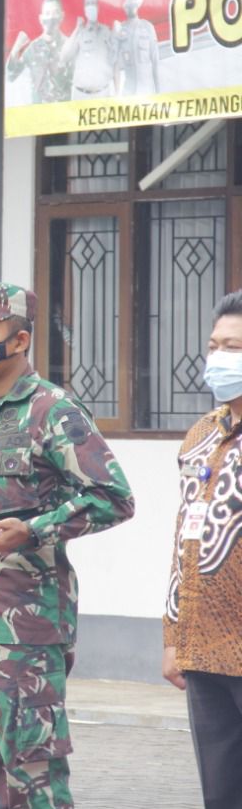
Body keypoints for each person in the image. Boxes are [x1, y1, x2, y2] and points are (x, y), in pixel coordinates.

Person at [0, 281, 134, 809]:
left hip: (24, 633)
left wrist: (36, 528)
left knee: (33, 775)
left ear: (19, 341)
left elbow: (113, 497)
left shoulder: (52, 411)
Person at [162, 290, 242, 809]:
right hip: (205, 645)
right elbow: (184, 543)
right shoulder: (201, 436)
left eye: (232, 346)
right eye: (214, 344)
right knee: (222, 789)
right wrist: (174, 636)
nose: (217, 357)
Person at [6, 0, 71, 104]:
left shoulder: (70, 46)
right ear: (41, 19)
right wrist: (16, 48)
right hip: (38, 115)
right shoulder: (33, 48)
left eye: (55, 13)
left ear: (62, 16)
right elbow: (11, 76)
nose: (51, 18)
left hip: (65, 114)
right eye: (47, 13)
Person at [62, 0, 117, 100]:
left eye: (94, 3)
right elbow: (64, 57)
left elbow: (116, 63)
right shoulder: (80, 32)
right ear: (84, 8)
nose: (91, 6)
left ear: (98, 7)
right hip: (81, 95)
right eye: (88, 3)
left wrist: (117, 93)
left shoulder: (107, 32)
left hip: (103, 95)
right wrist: (76, 29)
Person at [115, 0, 159, 96]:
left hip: (147, 92)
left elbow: (155, 63)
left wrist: (159, 93)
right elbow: (115, 64)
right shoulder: (120, 29)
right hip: (128, 93)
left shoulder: (148, 27)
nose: (133, 2)